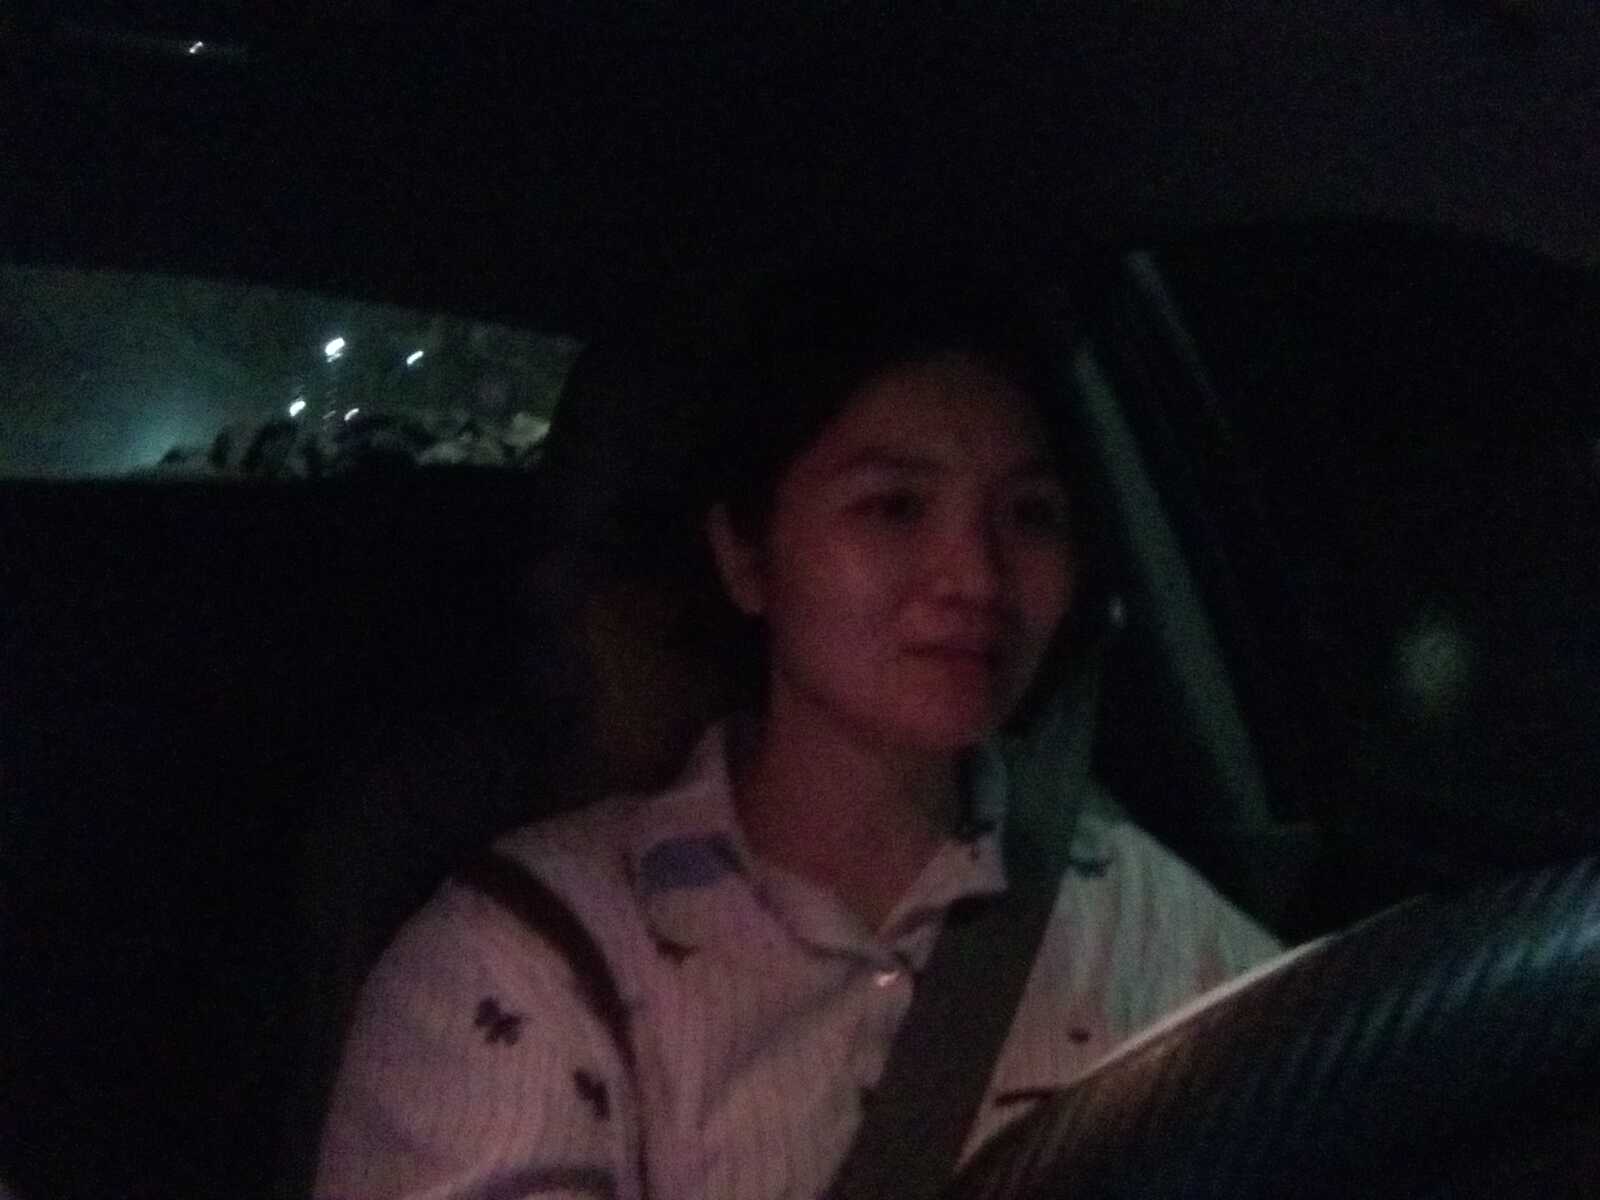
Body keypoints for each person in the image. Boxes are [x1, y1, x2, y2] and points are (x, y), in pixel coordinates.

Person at [314, 262, 1281, 1200]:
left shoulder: (1141, 915)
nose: (977, 577)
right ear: (746, 556)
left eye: (1030, 514)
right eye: (894, 506)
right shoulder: (528, 967)